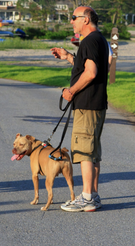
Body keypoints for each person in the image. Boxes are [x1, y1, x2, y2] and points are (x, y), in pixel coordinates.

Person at [50, 6, 109, 212]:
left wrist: (71, 91)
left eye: (74, 17)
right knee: (92, 153)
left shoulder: (90, 41)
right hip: (96, 104)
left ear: (85, 19)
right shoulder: (99, 39)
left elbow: (91, 73)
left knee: (84, 151)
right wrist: (68, 57)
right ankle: (93, 195)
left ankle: (86, 198)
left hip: (87, 104)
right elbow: (89, 67)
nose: (71, 21)